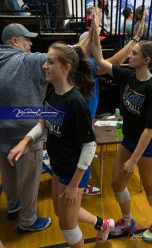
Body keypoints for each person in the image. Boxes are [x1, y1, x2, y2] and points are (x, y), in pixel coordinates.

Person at [7, 42, 115, 247]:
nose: (44, 66)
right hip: (59, 166)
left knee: (67, 226)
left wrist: (74, 185)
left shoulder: (75, 101)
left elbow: (89, 146)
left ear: (65, 68)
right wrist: (24, 142)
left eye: (50, 62)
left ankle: (100, 226)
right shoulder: (51, 92)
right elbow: (44, 121)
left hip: (73, 171)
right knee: (60, 212)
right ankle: (103, 224)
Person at [0, 22, 93, 234]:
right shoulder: (27, 61)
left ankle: (13, 204)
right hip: (26, 129)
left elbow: (88, 145)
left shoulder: (74, 102)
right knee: (30, 181)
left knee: (9, 175)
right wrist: (92, 33)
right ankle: (28, 220)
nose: (31, 43)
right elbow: (70, 52)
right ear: (15, 41)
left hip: (4, 129)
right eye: (27, 39)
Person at [91, 8, 152, 243]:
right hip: (129, 139)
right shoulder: (128, 76)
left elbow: (150, 129)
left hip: (150, 146)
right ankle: (127, 222)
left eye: (133, 53)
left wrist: (133, 160)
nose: (129, 56)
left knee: (150, 187)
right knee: (117, 182)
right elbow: (98, 59)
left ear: (146, 60)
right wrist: (95, 29)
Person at [79, 31, 100, 196]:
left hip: (85, 113)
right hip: (84, 115)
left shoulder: (79, 62)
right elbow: (113, 63)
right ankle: (83, 184)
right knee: (85, 148)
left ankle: (83, 181)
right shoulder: (90, 63)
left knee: (84, 147)